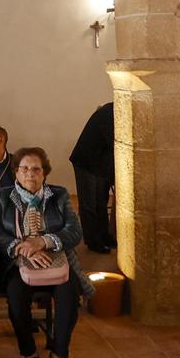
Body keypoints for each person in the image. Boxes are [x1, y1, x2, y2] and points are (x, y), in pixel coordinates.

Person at [0, 147, 89, 358]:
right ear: (16, 172)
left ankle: (59, 355)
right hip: (20, 265)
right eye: (24, 169)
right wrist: (23, 247)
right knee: (16, 298)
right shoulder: (3, 197)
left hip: (56, 262)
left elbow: (74, 231)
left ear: (44, 173)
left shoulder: (59, 195)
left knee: (69, 295)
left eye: (36, 169)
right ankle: (30, 355)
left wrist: (44, 241)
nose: (30, 174)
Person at [69, 101, 115, 254]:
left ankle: (104, 236)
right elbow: (116, 143)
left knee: (101, 201)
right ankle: (93, 240)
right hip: (86, 161)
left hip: (101, 163)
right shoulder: (110, 112)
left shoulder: (113, 110)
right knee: (89, 202)